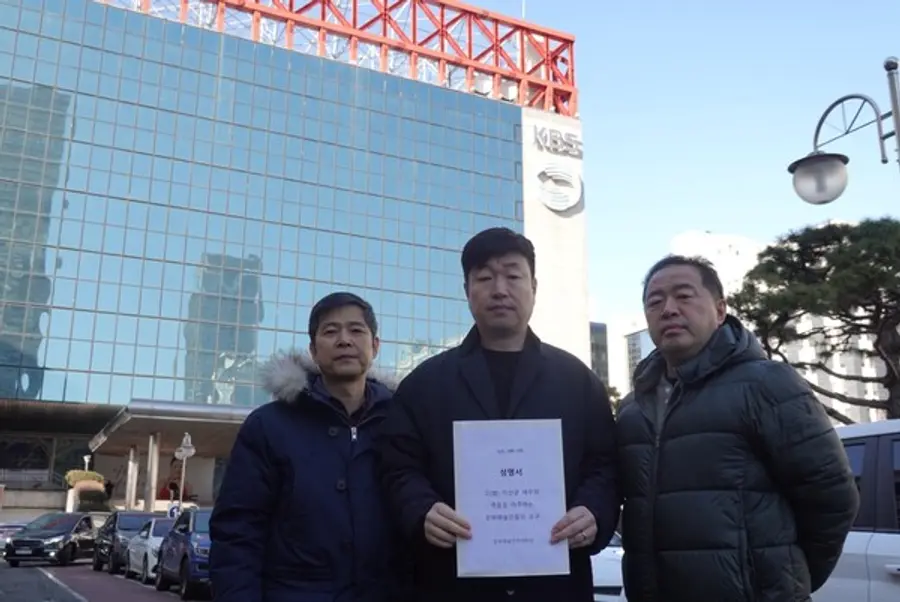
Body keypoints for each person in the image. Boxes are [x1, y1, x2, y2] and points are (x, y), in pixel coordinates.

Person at [375, 227, 620, 602]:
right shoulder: (424, 384)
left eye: (513, 276)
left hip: (556, 587)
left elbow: (605, 464)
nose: (500, 289)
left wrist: (593, 512)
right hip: (450, 584)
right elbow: (397, 467)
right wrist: (420, 509)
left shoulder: (577, 381)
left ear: (533, 286)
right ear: (467, 290)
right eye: (485, 278)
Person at [616, 255, 860, 602]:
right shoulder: (632, 409)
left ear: (720, 310)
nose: (668, 309)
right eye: (655, 302)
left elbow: (833, 496)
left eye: (684, 296)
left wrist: (784, 580)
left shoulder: (767, 384)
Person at [209, 292, 410, 602]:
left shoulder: (403, 422)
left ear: (375, 346)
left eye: (356, 330)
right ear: (313, 351)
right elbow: (238, 533)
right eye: (330, 331)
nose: (344, 340)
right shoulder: (268, 426)